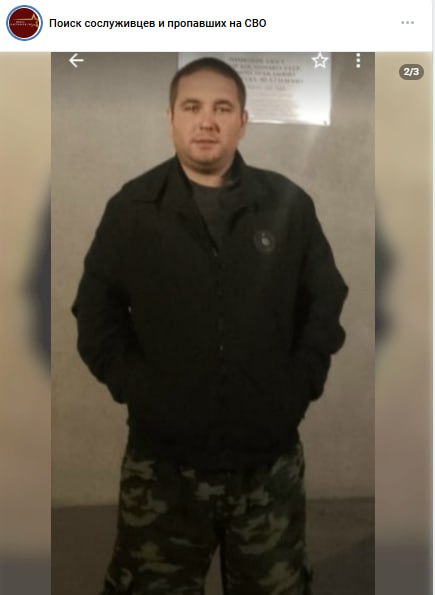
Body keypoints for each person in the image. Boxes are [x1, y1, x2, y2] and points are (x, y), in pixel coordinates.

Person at [72, 57, 348, 595]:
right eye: (192, 107)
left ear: (243, 121)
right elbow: (96, 315)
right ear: (171, 118)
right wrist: (139, 390)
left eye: (222, 108)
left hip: (266, 465)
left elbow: (325, 300)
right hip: (164, 468)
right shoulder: (133, 208)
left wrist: (298, 386)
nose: (206, 121)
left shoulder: (287, 206)